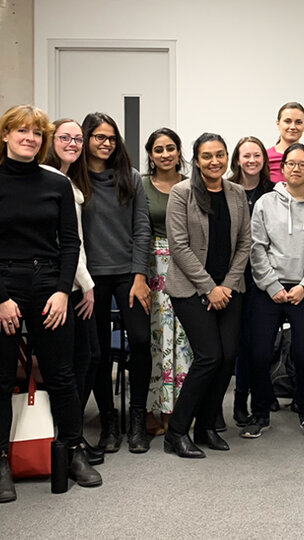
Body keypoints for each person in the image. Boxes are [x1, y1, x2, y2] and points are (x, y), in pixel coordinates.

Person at [0, 105, 102, 503]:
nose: (30, 138)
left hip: (50, 285)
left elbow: (70, 242)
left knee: (62, 376)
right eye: (21, 131)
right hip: (1, 288)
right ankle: (0, 462)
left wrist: (64, 290)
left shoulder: (57, 184)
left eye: (37, 133)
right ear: (5, 136)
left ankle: (73, 451)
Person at [162, 133, 253, 458]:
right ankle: (176, 432)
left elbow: (245, 242)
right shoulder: (181, 193)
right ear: (196, 160)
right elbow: (179, 247)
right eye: (207, 156)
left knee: (228, 357)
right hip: (190, 288)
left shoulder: (237, 193)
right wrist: (209, 288)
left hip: (229, 289)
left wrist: (226, 285)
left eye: (220, 155)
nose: (215, 161)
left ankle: (205, 427)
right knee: (209, 356)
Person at [70, 112, 153, 454]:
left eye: (111, 138)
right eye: (98, 137)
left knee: (141, 341)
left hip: (127, 274)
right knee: (98, 352)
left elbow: (142, 228)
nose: (106, 144)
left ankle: (136, 420)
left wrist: (139, 276)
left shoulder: (130, 177)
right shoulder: (73, 179)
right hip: (88, 279)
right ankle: (107, 422)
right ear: (86, 139)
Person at [242, 143, 304, 439]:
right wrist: (272, 286)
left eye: (302, 164)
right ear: (283, 167)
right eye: (290, 163)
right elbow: (257, 247)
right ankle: (260, 413)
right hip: (268, 290)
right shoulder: (265, 202)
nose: (295, 168)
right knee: (259, 353)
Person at [41, 118, 104, 465]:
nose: (73, 143)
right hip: (65, 284)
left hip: (77, 281)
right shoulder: (50, 180)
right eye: (64, 137)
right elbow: (66, 241)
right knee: (77, 361)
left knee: (89, 356)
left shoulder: (69, 178)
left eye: (78, 138)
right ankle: (68, 438)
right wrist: (87, 283)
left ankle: (71, 435)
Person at [141, 128, 193, 429]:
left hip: (185, 266)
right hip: (151, 269)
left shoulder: (189, 186)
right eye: (158, 149)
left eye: (170, 148)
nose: (165, 154)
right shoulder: (141, 185)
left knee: (183, 340)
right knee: (155, 338)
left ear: (178, 151)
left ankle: (177, 409)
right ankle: (150, 409)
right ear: (150, 154)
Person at [226, 135, 273, 426]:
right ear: (238, 160)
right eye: (246, 156)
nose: (252, 160)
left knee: (258, 343)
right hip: (234, 274)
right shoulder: (227, 189)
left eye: (257, 155)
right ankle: (240, 398)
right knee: (239, 343)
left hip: (263, 276)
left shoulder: (273, 191)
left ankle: (260, 396)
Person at [267, 102, 304, 188]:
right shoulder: (265, 157)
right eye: (287, 121)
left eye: (298, 122)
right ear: (278, 124)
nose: (293, 127)